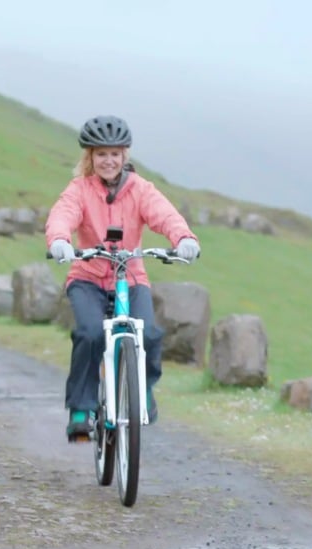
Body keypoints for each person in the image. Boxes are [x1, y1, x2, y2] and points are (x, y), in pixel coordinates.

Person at [44, 115, 200, 440]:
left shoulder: (141, 190)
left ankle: (141, 390)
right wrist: (60, 240)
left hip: (130, 276)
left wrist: (183, 239)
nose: (108, 160)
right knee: (89, 334)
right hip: (87, 276)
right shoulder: (79, 190)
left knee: (151, 335)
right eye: (101, 154)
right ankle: (81, 408)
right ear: (89, 158)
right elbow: (63, 214)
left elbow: (165, 215)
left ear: (125, 155)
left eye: (115, 153)